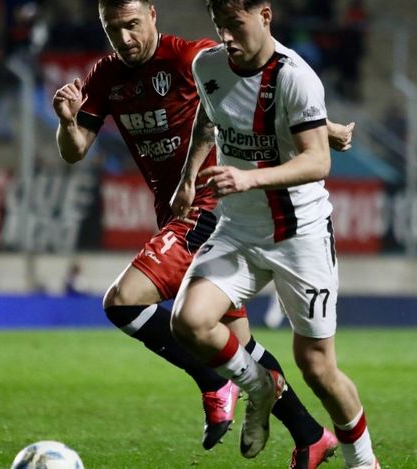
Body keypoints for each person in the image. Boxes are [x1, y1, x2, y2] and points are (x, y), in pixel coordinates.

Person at [52, 1, 353, 465]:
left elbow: (258, 78)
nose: (125, 38)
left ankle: (213, 382)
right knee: (236, 346)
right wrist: (68, 121)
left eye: (132, 25)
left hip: (210, 208)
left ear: (153, 14)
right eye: (114, 29)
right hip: (175, 207)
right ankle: (311, 436)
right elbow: (74, 152)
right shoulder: (105, 75)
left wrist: (323, 128)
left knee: (125, 301)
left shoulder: (190, 56)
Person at [169, 1, 379, 468]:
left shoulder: (296, 76)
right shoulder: (208, 65)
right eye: (218, 25)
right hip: (239, 228)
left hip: (298, 234)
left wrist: (248, 177)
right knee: (188, 321)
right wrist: (187, 178)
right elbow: (210, 117)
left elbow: (317, 161)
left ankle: (363, 462)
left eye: (235, 24)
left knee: (318, 367)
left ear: (265, 15)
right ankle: (261, 386)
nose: (225, 35)